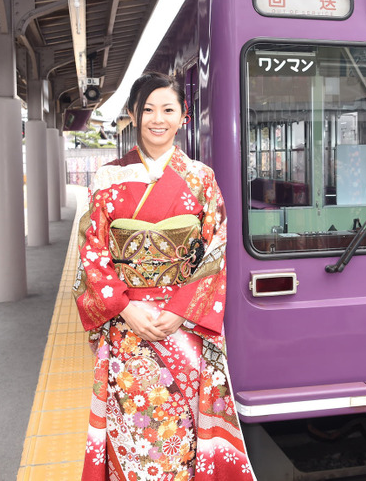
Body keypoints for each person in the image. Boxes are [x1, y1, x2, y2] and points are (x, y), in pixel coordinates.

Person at [73, 72, 255, 480]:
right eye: (149, 109)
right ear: (135, 115)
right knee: (135, 434)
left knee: (184, 435)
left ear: (183, 116)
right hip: (128, 328)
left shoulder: (201, 178)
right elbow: (93, 253)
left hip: (185, 327)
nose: (158, 118)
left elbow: (215, 251)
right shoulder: (108, 177)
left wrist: (180, 310)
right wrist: (123, 307)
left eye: (168, 109)